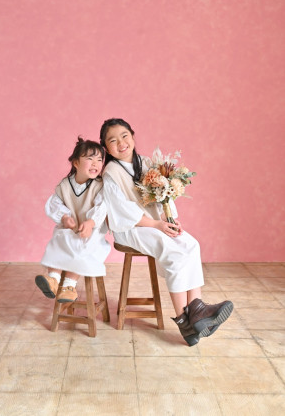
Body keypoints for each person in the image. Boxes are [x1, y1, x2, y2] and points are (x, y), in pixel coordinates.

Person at [100, 118, 233, 346]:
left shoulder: (146, 162)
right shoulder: (111, 173)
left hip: (154, 223)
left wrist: (169, 219)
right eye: (113, 141)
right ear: (106, 147)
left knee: (190, 244)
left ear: (132, 135)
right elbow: (121, 213)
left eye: (124, 136)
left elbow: (161, 197)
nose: (121, 143)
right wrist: (156, 225)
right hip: (131, 229)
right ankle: (186, 320)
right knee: (173, 250)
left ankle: (196, 313)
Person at [35, 137, 111, 303]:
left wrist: (90, 223)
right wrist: (65, 217)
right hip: (71, 229)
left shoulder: (99, 185)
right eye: (89, 159)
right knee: (59, 240)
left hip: (91, 232)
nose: (95, 164)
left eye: (99, 160)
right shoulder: (65, 185)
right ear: (76, 163)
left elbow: (102, 206)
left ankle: (69, 285)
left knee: (82, 246)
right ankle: (53, 279)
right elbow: (55, 203)